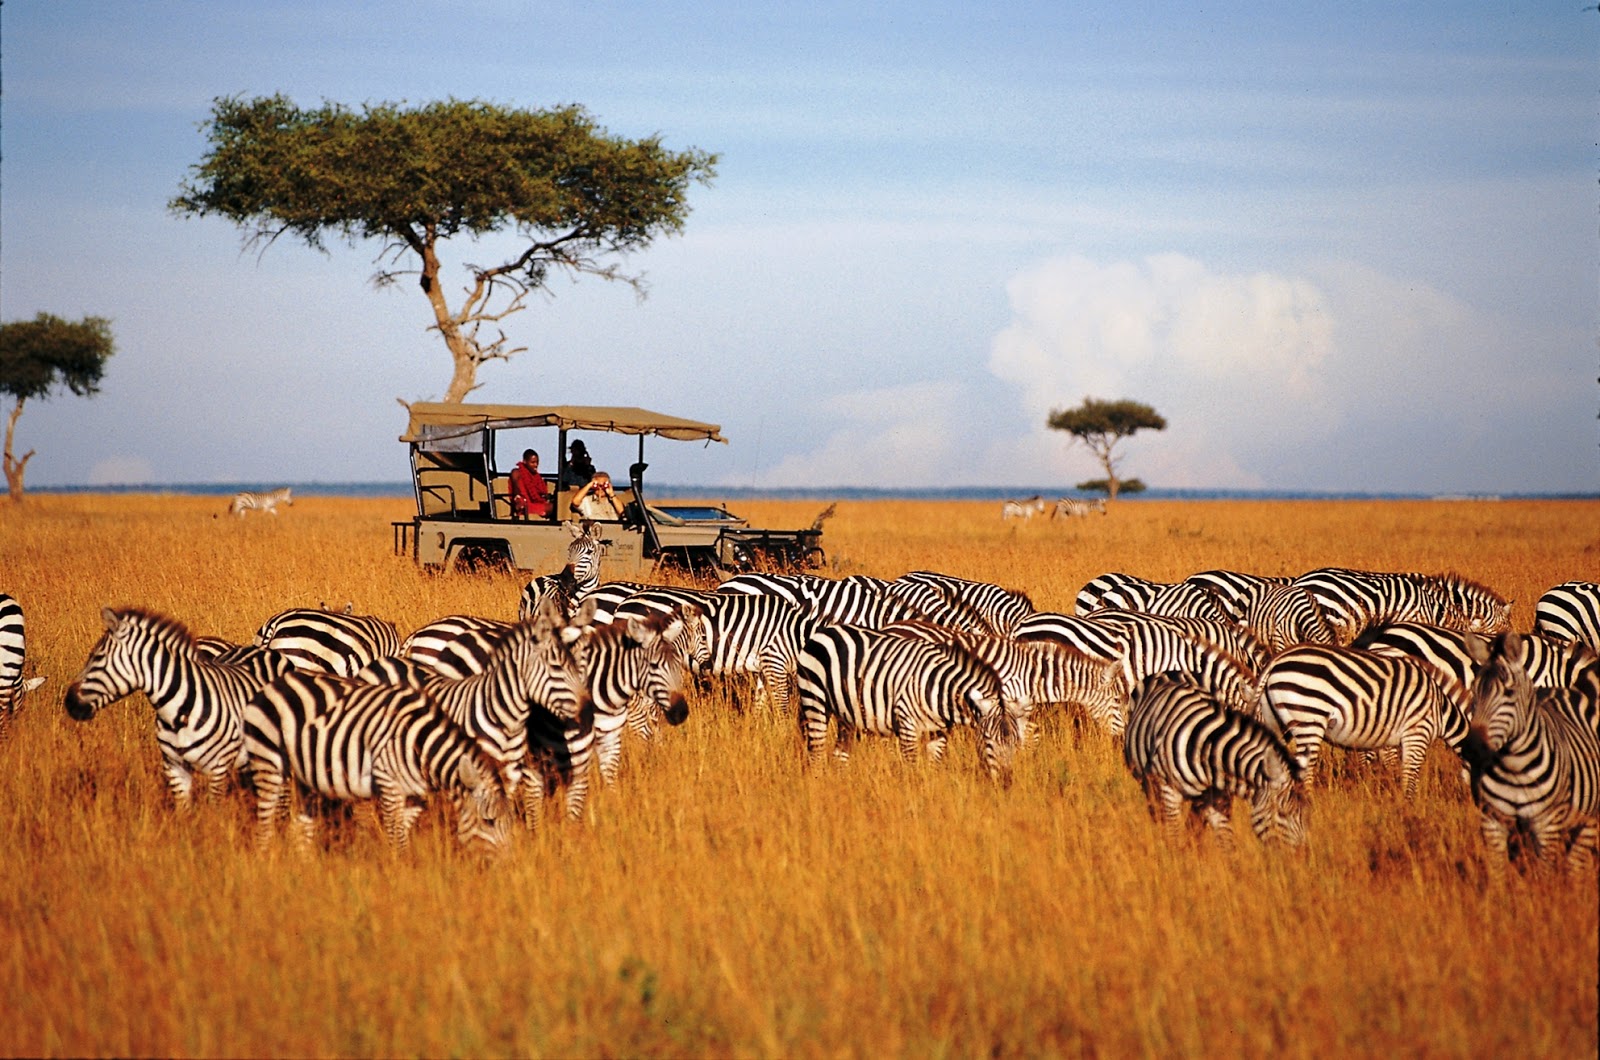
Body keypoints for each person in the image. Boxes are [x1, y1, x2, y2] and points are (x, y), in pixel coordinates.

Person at [507, 449, 551, 519]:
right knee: (555, 507)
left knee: (557, 505)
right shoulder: (517, 472)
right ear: (525, 461)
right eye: (533, 462)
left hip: (537, 503)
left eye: (537, 462)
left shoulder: (537, 477)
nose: (536, 465)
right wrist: (518, 498)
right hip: (525, 506)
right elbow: (515, 482)